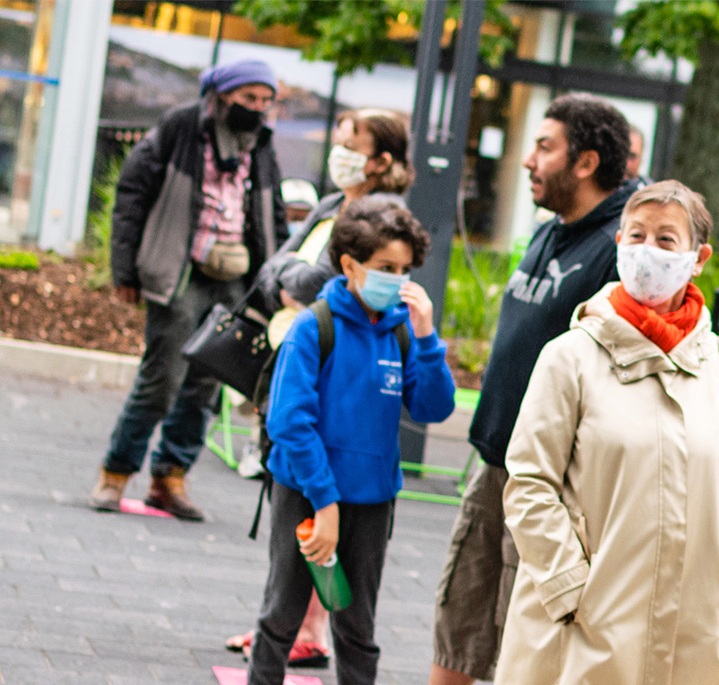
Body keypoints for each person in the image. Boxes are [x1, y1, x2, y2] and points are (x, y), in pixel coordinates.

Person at [491, 180, 719, 682]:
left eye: (666, 239)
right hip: (581, 629)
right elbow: (529, 484)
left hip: (694, 635)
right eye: (635, 235)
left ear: (698, 257)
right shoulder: (570, 356)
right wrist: (571, 588)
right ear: (617, 244)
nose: (647, 251)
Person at [430, 93, 636, 685]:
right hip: (495, 460)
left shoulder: (617, 247)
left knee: (526, 641)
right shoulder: (552, 231)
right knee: (458, 621)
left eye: (545, 147)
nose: (527, 160)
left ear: (586, 162)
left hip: (553, 485)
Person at [226, 107, 415, 665]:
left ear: (383, 158)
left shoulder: (386, 219)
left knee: (355, 609)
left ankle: (307, 630)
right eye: (339, 137)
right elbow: (276, 268)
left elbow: (315, 279)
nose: (340, 148)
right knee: (291, 533)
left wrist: (298, 281)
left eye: (352, 141)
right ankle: (289, 627)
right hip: (291, 363)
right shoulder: (332, 205)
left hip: (341, 402)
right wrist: (293, 280)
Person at [251, 197, 457, 685]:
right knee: (282, 615)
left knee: (356, 625)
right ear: (349, 264)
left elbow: (434, 408)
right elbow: (290, 424)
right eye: (386, 267)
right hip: (306, 493)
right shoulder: (312, 327)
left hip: (370, 502)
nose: (398, 278)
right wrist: (324, 502)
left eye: (406, 269)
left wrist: (428, 339)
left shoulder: (402, 332)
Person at [93, 58, 288, 521]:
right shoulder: (180, 127)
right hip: (180, 273)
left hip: (236, 282)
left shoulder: (261, 144)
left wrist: (275, 277)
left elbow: (273, 212)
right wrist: (125, 270)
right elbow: (132, 192)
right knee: (162, 378)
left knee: (206, 384)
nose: (257, 108)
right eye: (249, 99)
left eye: (265, 100)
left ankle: (170, 478)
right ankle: (114, 474)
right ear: (221, 96)